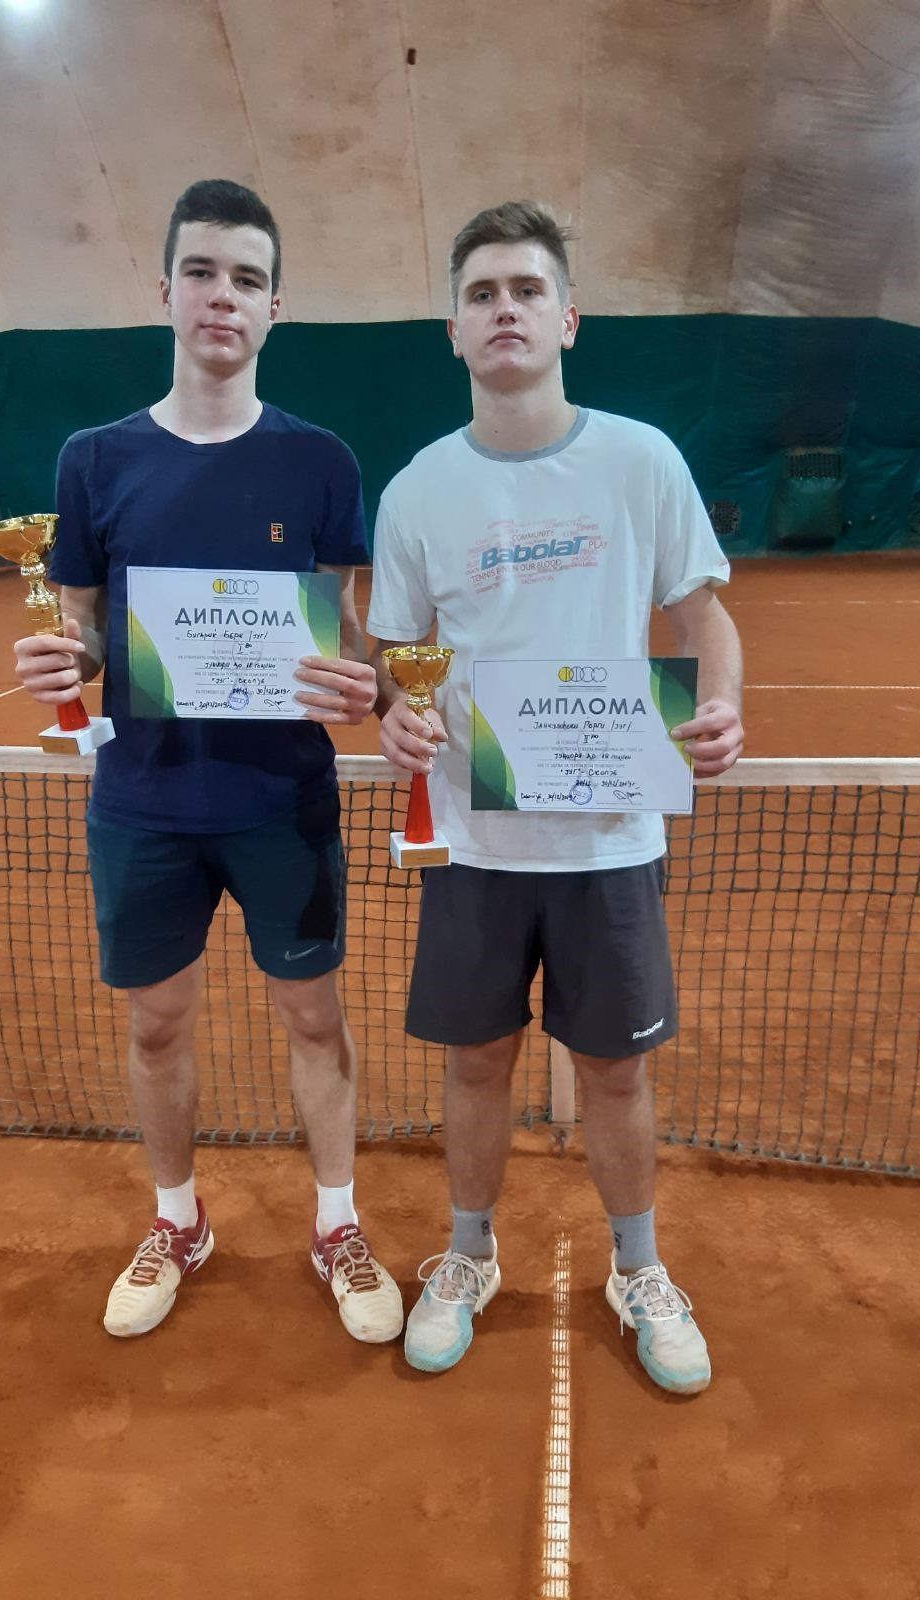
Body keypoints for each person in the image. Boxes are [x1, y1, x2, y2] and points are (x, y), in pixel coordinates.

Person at [13, 180, 402, 1346]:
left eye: (246, 278)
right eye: (201, 271)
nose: (222, 295)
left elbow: (348, 635)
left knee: (315, 1019)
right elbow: (84, 626)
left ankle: (336, 1222)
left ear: (275, 306)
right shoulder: (94, 460)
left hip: (283, 802)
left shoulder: (322, 461)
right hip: (144, 803)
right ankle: (178, 1221)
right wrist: (63, 658)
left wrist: (365, 681)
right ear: (166, 290)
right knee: (156, 1025)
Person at [368, 201, 744, 1393]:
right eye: (482, 294)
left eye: (527, 290)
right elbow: (395, 656)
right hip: (472, 844)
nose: (505, 311)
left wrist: (723, 703)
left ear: (568, 317)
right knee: (477, 1064)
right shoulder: (418, 489)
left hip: (609, 840)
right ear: (453, 329)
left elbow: (704, 616)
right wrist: (392, 711)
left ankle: (639, 1268)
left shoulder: (642, 460)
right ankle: (468, 1254)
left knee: (617, 1074)